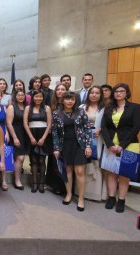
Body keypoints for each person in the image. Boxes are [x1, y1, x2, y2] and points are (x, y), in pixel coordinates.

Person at [101, 83, 140, 213]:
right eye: (116, 91)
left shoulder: (135, 108)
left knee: (124, 174)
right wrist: (110, 144)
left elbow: (135, 128)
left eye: (121, 91)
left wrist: (122, 145)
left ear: (126, 93)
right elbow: (104, 127)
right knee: (111, 172)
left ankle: (121, 200)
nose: (118, 93)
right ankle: (111, 198)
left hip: (129, 144)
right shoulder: (109, 107)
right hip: (111, 144)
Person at [52, 91, 92, 212]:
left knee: (79, 171)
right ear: (62, 100)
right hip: (65, 145)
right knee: (67, 170)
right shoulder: (56, 114)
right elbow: (54, 132)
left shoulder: (81, 112)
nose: (70, 101)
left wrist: (88, 146)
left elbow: (87, 128)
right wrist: (56, 148)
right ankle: (68, 194)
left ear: (75, 101)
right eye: (67, 99)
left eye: (72, 99)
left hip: (79, 144)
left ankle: (81, 199)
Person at [80, 85, 106, 201]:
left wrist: (101, 130)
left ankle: (95, 194)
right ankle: (81, 192)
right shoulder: (81, 107)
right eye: (92, 93)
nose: (94, 95)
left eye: (97, 93)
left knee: (96, 162)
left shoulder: (105, 109)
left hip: (98, 138)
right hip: (83, 139)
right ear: (88, 94)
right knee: (83, 162)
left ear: (101, 95)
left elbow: (109, 125)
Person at [23, 89, 52, 193]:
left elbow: (49, 124)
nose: (38, 98)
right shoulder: (28, 108)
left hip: (43, 135)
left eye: (40, 96)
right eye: (36, 96)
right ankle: (34, 183)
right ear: (32, 98)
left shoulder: (47, 108)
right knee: (33, 160)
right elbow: (25, 123)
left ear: (43, 98)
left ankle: (41, 184)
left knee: (41, 160)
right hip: (31, 135)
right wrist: (31, 137)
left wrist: (44, 138)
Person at [46, 83, 68, 194]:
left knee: (64, 162)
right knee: (53, 161)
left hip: (66, 137)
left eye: (63, 89)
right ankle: (53, 185)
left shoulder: (69, 104)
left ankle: (63, 187)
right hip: (53, 136)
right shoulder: (52, 105)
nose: (60, 91)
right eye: (58, 89)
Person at [6, 89, 28, 189]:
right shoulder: (11, 106)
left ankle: (17, 179)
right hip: (15, 133)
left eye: (22, 95)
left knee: (20, 158)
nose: (20, 97)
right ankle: (17, 180)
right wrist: (14, 137)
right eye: (18, 95)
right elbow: (9, 123)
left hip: (25, 134)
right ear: (15, 96)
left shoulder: (27, 107)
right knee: (19, 157)